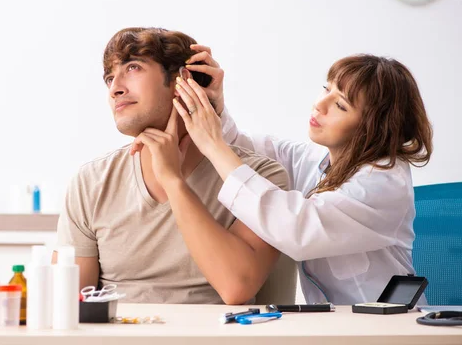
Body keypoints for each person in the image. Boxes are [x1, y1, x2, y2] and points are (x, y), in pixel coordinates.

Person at [152, 47, 433, 305]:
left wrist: (213, 146)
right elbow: (245, 149)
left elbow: (297, 229)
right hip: (333, 329)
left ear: (374, 128)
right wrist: (216, 104)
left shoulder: (383, 183)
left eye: (341, 105)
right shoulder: (316, 160)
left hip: (386, 330)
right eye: (327, 89)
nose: (320, 105)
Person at [54, 28, 290, 305]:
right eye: (109, 78)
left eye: (133, 67)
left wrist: (173, 181)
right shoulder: (91, 181)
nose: (115, 88)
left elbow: (236, 287)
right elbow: (65, 307)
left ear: (183, 82)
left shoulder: (261, 179)